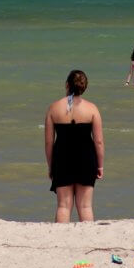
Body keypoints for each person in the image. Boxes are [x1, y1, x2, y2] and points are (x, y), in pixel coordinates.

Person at [45, 70, 105, 222]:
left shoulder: (53, 108)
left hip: (62, 159)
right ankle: (88, 241)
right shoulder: (92, 109)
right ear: (84, 87)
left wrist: (51, 166)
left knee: (63, 206)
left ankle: (60, 241)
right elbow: (98, 141)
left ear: (67, 85)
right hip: (86, 159)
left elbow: (48, 142)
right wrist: (100, 166)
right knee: (85, 206)